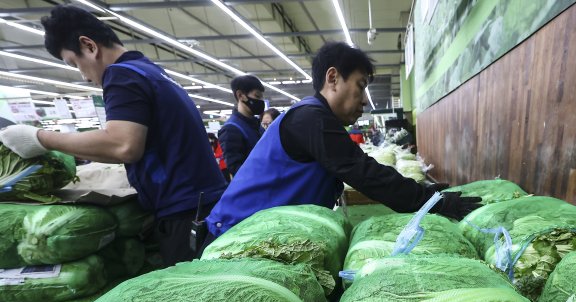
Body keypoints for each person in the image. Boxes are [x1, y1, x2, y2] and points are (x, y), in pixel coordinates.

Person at [0, 5, 226, 267]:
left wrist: (40, 138)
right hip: (201, 205)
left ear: (89, 46)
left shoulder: (122, 75)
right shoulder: (150, 71)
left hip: (184, 212)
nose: (84, 77)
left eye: (75, 64)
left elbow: (123, 145)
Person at [204, 42, 481, 242]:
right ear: (333, 78)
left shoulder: (316, 117)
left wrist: (425, 193)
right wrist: (432, 202)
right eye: (360, 86)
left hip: (257, 234)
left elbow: (361, 169)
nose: (363, 100)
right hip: (232, 235)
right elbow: (363, 172)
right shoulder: (310, 118)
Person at [219, 75, 265, 178]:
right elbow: (236, 168)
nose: (261, 101)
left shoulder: (257, 125)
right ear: (240, 95)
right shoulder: (231, 129)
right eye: (257, 96)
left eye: (262, 97)